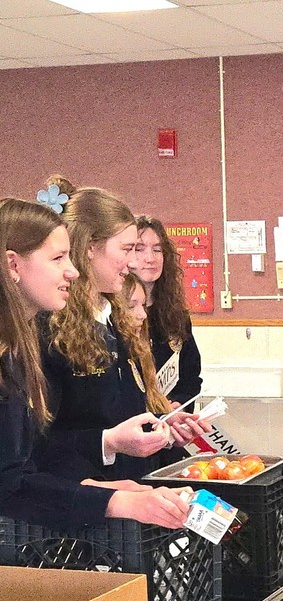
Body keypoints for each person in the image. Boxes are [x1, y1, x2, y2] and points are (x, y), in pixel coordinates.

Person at [0, 197, 191, 530]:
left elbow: (33, 452)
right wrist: (112, 497)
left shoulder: (21, 346)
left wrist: (99, 487)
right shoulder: (36, 340)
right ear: (13, 265)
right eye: (58, 258)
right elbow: (11, 479)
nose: (71, 270)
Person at [35, 179, 205, 483]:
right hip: (88, 501)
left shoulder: (114, 319)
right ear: (89, 248)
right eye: (128, 249)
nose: (134, 262)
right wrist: (108, 443)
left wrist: (161, 424)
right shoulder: (48, 328)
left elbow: (122, 414)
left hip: (130, 492)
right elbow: (37, 446)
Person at [134, 215, 202, 408]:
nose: (150, 258)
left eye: (157, 250)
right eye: (139, 249)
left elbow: (191, 375)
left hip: (171, 426)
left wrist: (178, 405)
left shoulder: (175, 315)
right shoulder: (111, 317)